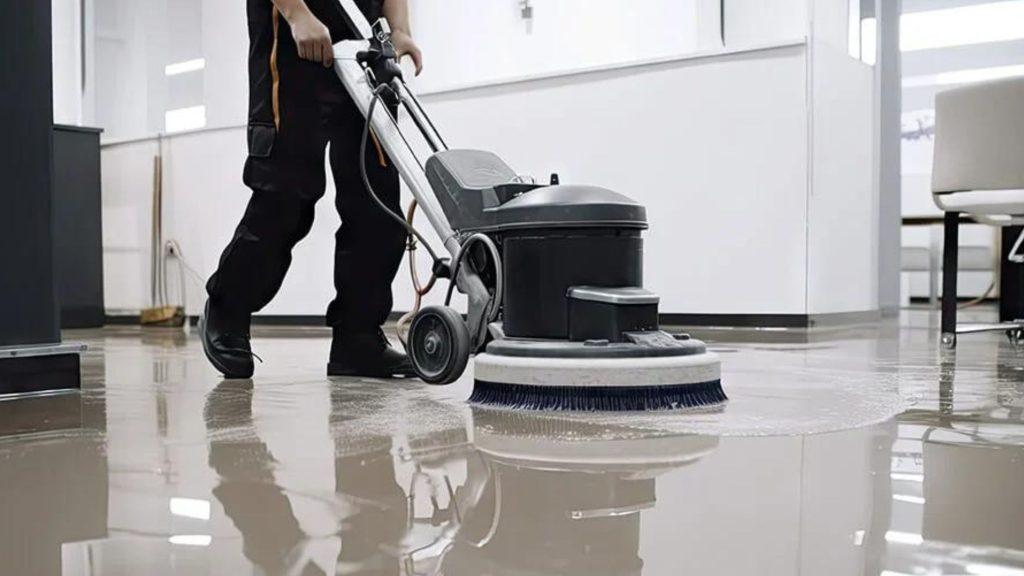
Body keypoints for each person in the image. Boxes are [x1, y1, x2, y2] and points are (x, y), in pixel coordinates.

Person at [201, 0, 423, 379]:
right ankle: (229, 308)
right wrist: (296, 13)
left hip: (366, 43)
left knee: (378, 204)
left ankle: (358, 339)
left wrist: (398, 29)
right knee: (287, 195)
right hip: (293, 37)